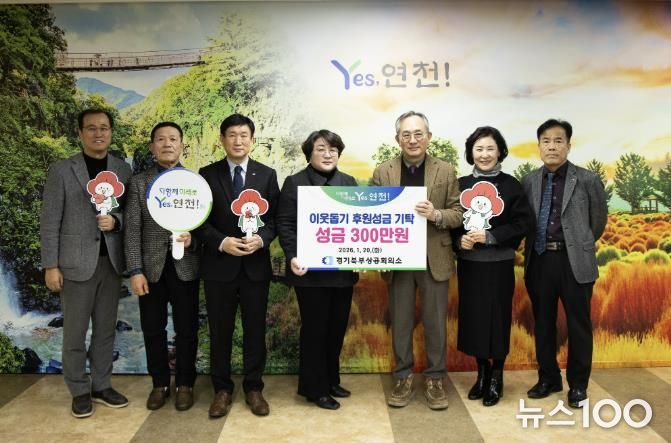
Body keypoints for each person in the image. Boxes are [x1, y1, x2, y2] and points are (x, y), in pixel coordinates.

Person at [40, 108, 131, 418]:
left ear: (111, 132)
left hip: (111, 264)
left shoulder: (122, 169)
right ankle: (79, 389)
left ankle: (101, 385)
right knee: (75, 332)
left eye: (104, 127)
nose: (98, 133)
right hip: (74, 264)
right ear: (80, 133)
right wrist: (50, 265)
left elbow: (129, 214)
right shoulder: (62, 170)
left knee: (106, 330)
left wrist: (116, 222)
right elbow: (50, 221)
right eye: (91, 128)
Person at [372, 111, 463, 410]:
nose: (412, 139)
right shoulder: (383, 171)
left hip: (432, 256)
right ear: (397, 138)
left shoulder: (445, 170)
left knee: (436, 322)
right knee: (401, 322)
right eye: (406, 134)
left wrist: (435, 214)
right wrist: (379, 251)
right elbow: (372, 215)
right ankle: (403, 377)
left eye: (418, 133)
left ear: (429, 136)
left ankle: (435, 379)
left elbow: (457, 214)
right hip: (398, 258)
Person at [194, 113, 280, 418]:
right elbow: (198, 220)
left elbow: (275, 219)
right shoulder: (207, 174)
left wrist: (262, 239)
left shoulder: (267, 175)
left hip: (255, 268)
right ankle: (222, 389)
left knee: (255, 331)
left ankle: (254, 388)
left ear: (252, 140)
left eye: (244, 135)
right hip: (219, 267)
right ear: (222, 140)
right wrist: (221, 242)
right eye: (232, 135)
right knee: (220, 331)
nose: (238, 140)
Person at [522, 119, 607, 408]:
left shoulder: (587, 179)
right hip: (540, 260)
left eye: (558, 141)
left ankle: (578, 385)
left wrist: (577, 244)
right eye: (546, 141)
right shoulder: (529, 181)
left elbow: (597, 222)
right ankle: (548, 378)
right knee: (543, 323)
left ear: (568, 146)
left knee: (578, 324)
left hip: (575, 262)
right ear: (539, 146)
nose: (552, 146)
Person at [276, 130, 359, 411]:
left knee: (336, 329)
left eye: (333, 149)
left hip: (342, 273)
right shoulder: (295, 182)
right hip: (309, 272)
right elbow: (285, 224)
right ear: (309, 153)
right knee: (315, 331)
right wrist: (292, 256)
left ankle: (331, 380)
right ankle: (315, 388)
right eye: (321, 148)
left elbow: (357, 224)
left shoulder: (348, 182)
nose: (327, 154)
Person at [452, 126, 533, 406]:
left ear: (500, 151)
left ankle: (497, 374)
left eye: (490, 148)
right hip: (469, 266)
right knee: (474, 318)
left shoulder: (512, 185)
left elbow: (523, 223)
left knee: (497, 318)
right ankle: (481, 373)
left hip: (499, 265)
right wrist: (459, 241)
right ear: (470, 153)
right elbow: (452, 222)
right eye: (479, 149)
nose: (484, 154)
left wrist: (492, 236)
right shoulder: (459, 184)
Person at [124, 122, 200, 411]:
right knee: (153, 329)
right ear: (152, 147)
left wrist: (194, 240)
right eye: (161, 139)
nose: (167, 144)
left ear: (182, 145)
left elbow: (205, 227)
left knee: (187, 329)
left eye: (173, 139)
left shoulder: (195, 182)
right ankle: (159, 384)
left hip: (186, 267)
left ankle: (185, 384)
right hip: (151, 270)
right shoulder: (139, 183)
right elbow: (132, 230)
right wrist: (135, 270)